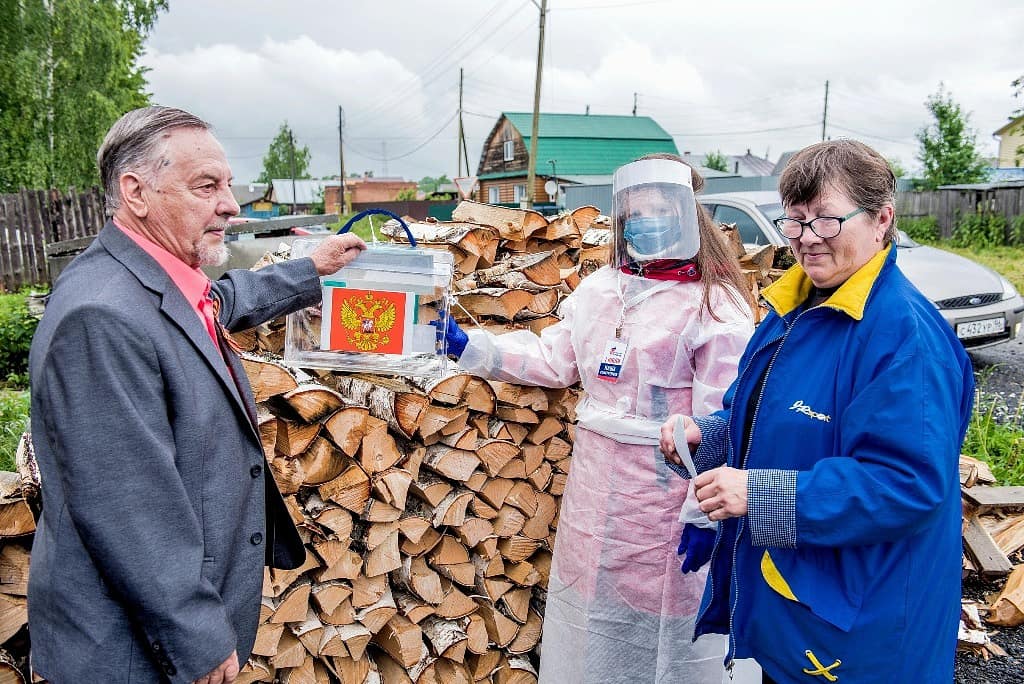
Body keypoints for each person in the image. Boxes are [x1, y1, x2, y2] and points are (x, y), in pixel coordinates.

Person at [28, 106, 366, 683]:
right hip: (130, 654)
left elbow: (218, 301)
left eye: (227, 184)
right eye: (205, 186)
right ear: (135, 191)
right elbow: (128, 508)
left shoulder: (151, 277)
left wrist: (310, 268)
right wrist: (199, 637)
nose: (231, 204)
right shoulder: (101, 316)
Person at [660, 139, 975, 683]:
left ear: (881, 220)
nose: (807, 239)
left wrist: (757, 494)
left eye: (827, 221)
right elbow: (755, 412)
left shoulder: (904, 336)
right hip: (800, 610)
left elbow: (907, 485)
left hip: (864, 630)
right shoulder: (796, 306)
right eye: (796, 221)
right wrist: (706, 437)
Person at [437, 154, 755, 683]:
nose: (646, 221)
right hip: (596, 493)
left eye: (659, 209)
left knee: (668, 630)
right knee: (592, 624)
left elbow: (724, 421)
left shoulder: (714, 305)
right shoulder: (602, 291)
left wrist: (704, 518)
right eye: (635, 212)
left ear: (686, 213)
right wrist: (473, 347)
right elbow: (554, 360)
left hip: (667, 496)